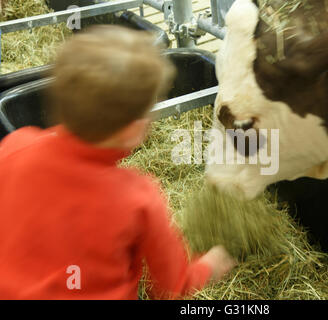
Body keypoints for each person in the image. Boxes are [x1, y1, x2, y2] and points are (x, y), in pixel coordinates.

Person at [0, 25, 236, 300]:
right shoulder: (137, 197)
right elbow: (170, 288)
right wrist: (210, 265)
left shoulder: (15, 147)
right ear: (132, 129)